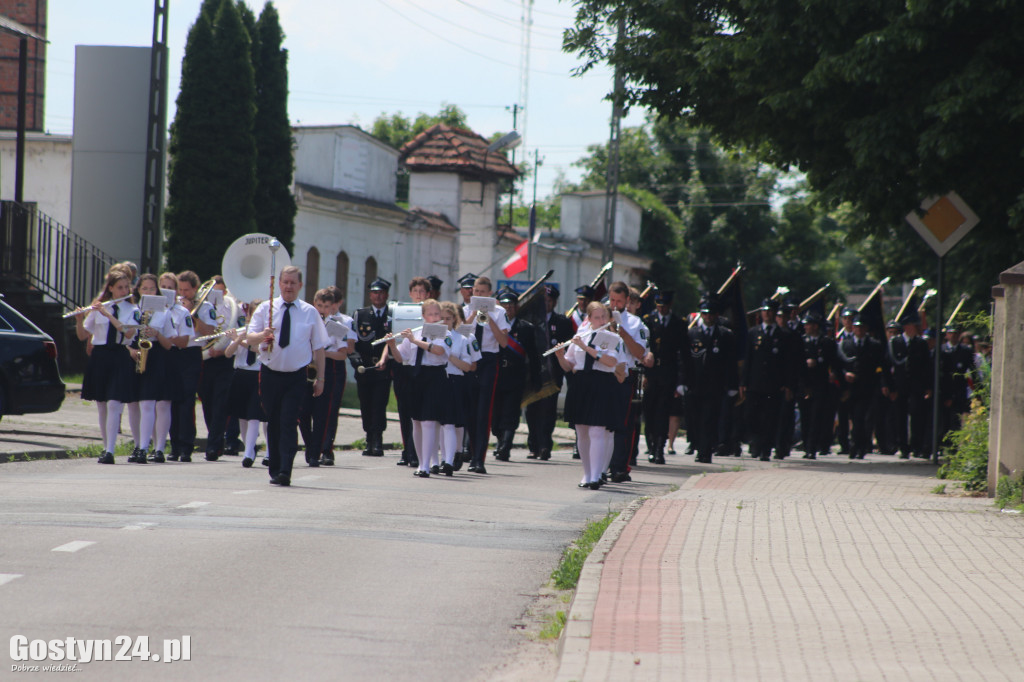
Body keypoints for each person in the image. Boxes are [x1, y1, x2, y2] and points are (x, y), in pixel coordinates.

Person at [246, 266, 329, 486]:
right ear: (279, 283)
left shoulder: (309, 312)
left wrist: (320, 379)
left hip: (296, 376)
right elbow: (249, 338)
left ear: (300, 285)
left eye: (293, 283)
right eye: (285, 282)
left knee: (288, 421)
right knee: (273, 421)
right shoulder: (266, 308)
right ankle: (275, 466)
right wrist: (262, 335)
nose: (289, 286)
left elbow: (319, 348)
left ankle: (286, 469)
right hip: (271, 373)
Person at [555, 302, 623, 489]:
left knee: (597, 430)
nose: (601, 320)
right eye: (596, 317)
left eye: (603, 317)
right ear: (589, 319)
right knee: (582, 432)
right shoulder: (579, 336)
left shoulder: (611, 338)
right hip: (581, 384)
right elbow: (569, 365)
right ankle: (586, 474)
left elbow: (611, 362)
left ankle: (596, 476)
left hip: (602, 383)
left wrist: (586, 348)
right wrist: (560, 356)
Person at [76, 268, 140, 464]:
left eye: (126, 287)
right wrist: (80, 318)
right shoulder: (98, 309)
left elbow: (128, 333)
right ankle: (106, 448)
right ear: (111, 288)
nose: (123, 291)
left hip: (119, 355)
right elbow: (82, 335)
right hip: (100, 356)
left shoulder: (133, 310)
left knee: (115, 402)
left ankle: (111, 450)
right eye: (119, 287)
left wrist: (108, 314)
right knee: (102, 405)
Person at [385, 298, 450, 478]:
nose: (434, 317)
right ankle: (421, 462)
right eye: (430, 314)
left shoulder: (443, 333)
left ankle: (427, 466)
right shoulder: (416, 333)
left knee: (429, 421)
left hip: (435, 377)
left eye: (437, 314)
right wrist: (391, 344)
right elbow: (400, 358)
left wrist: (414, 340)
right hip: (415, 377)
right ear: (423, 316)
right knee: (417, 422)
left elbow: (438, 351)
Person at [127, 274, 178, 463]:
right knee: (133, 404)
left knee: (149, 403)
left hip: (154, 355)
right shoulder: (132, 310)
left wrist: (156, 333)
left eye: (152, 289)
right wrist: (130, 350)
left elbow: (169, 343)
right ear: (138, 290)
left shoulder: (164, 312)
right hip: (133, 355)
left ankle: (148, 448)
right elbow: (122, 335)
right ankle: (137, 443)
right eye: (144, 289)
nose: (148, 292)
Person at [740, 298, 798, 461]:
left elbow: (789, 363)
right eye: (764, 311)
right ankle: (756, 440)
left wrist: (788, 385)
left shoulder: (784, 335)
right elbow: (748, 359)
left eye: (770, 311)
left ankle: (765, 449)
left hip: (775, 384)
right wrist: (743, 382)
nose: (767, 314)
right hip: (754, 383)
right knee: (751, 416)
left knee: (770, 418)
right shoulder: (754, 332)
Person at [684, 293, 739, 463]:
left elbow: (731, 362)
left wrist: (732, 385)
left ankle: (705, 451)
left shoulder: (725, 335)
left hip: (715, 385)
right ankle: (699, 445)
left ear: (716, 315)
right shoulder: (692, 333)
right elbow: (685, 361)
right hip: (694, 384)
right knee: (695, 419)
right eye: (705, 313)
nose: (708, 317)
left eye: (711, 314)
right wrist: (682, 382)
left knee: (709, 419)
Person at [299, 288, 351, 467]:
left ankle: (315, 454)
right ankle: (310, 445)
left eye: (326, 306)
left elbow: (343, 354)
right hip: (306, 368)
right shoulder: (306, 321)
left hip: (327, 369)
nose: (322, 309)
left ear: (331, 308)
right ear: (314, 304)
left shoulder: (336, 326)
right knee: (303, 412)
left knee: (322, 414)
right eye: (319, 305)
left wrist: (324, 354)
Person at [168, 271, 214, 462]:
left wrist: (191, 315)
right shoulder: (174, 305)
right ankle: (174, 445)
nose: (183, 293)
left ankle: (187, 447)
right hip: (173, 353)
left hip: (192, 354)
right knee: (172, 401)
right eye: (181, 289)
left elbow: (210, 332)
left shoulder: (206, 306)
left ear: (196, 289)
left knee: (187, 401)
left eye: (187, 290)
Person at [466, 276, 510, 474]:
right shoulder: (466, 309)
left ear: (490, 294)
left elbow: (503, 342)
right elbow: (459, 334)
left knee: (484, 411)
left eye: (483, 293)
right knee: (470, 410)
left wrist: (489, 317)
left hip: (488, 360)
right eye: (476, 292)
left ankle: (478, 459)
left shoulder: (500, 312)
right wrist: (473, 314)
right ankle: (467, 451)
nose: (479, 295)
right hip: (468, 359)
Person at [606, 281, 649, 482]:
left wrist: (622, 333)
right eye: (612, 300)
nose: (614, 305)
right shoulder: (599, 317)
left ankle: (620, 466)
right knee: (603, 423)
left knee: (623, 423)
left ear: (627, 301)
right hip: (604, 373)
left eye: (619, 301)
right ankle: (601, 465)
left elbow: (641, 353)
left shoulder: (635, 323)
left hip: (625, 375)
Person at [491, 287, 540, 462]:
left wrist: (536, 378)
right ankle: (499, 440)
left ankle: (506, 446)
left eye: (511, 305)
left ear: (517, 307)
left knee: (510, 413)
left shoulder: (526, 328)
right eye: (505, 305)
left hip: (515, 376)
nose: (508, 308)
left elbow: (533, 355)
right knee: (495, 416)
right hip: (496, 375)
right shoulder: (492, 325)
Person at [526, 285, 573, 461]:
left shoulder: (562, 321)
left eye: (549, 301)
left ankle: (545, 445)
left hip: (553, 373)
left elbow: (569, 346)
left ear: (554, 302)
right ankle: (533, 445)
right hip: (534, 372)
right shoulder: (530, 320)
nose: (546, 303)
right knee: (532, 410)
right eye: (544, 300)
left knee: (548, 410)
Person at [642, 290, 686, 464]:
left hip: (668, 374)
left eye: (664, 306)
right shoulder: (647, 321)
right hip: (651, 374)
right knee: (649, 411)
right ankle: (651, 444)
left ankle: (659, 447)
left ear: (670, 306)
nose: (661, 309)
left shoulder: (678, 323)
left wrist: (683, 380)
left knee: (662, 412)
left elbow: (684, 353)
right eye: (659, 306)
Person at [436, 301, 479, 475]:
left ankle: (450, 459)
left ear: (454, 319)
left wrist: (450, 357)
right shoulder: (432, 335)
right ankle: (439, 459)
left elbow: (469, 366)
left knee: (450, 423)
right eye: (442, 318)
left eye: (448, 318)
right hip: (436, 380)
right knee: (438, 423)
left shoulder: (461, 338)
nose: (445, 322)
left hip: (454, 380)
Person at [351, 278, 392, 457]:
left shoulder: (392, 315)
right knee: (365, 403)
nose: (378, 296)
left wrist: (387, 360)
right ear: (370, 295)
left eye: (381, 293)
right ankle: (368, 438)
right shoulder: (360, 314)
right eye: (375, 292)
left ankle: (377, 440)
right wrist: (357, 362)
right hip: (364, 367)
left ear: (387, 295)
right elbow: (353, 342)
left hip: (384, 366)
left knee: (379, 404)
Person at [223, 308, 267, 468]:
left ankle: (250, 452)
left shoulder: (265, 334)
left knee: (256, 415)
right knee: (242, 415)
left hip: (258, 374)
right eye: (251, 314)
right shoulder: (241, 332)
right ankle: (249, 448)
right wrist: (236, 339)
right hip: (241, 375)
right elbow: (228, 354)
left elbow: (257, 349)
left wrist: (241, 340)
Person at [319, 285, 356, 465]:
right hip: (314, 364)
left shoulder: (345, 321)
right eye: (323, 305)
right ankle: (314, 445)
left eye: (330, 304)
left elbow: (349, 348)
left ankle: (327, 448)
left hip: (334, 365)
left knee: (331, 409)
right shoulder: (313, 318)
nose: (327, 308)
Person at [840, 316, 885, 459]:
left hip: (867, 387)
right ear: (852, 328)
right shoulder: (845, 344)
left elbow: (880, 366)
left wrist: (881, 384)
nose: (859, 330)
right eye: (856, 327)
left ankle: (858, 446)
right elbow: (839, 364)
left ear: (866, 329)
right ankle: (856, 444)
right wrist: (845, 374)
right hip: (850, 388)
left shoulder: (874, 345)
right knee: (853, 417)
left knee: (862, 418)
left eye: (861, 327)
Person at [798, 312, 839, 459]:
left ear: (815, 326)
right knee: (805, 417)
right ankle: (806, 444)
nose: (806, 327)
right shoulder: (801, 341)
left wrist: (823, 366)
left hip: (820, 385)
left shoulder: (826, 342)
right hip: (804, 384)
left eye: (808, 324)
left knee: (816, 417)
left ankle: (812, 448)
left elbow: (834, 363)